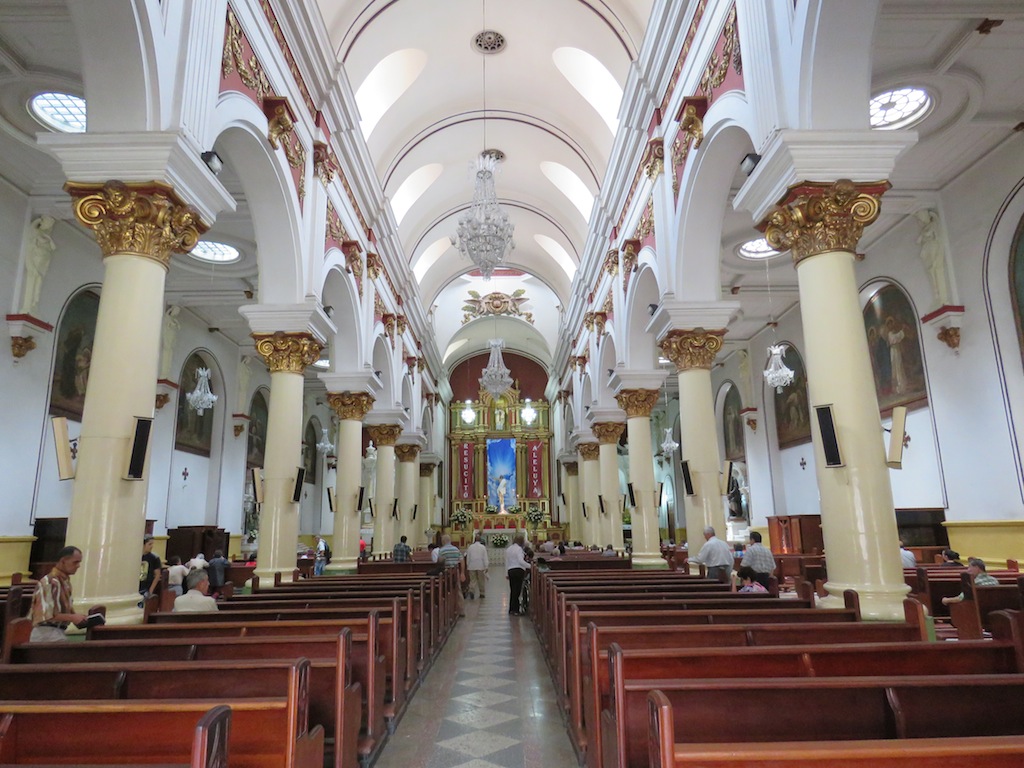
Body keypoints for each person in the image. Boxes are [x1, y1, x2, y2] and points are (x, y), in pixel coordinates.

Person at [29, 545, 88, 642]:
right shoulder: (50, 582)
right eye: (75, 562)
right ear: (63, 561)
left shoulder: (64, 582)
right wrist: (72, 617)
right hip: (46, 633)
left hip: (55, 632)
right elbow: (47, 615)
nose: (78, 566)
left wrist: (80, 619)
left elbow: (63, 610)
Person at [20, 214, 56, 315]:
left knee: (39, 279)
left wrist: (49, 239)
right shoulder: (36, 232)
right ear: (43, 223)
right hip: (36, 259)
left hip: (43, 261)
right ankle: (29, 304)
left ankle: (34, 302)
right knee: (35, 278)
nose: (49, 227)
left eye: (50, 225)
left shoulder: (46, 235)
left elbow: (53, 247)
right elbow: (32, 244)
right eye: (48, 224)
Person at [436, 535, 465, 617]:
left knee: (446, 591)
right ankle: (461, 610)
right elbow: (462, 561)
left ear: (443, 541)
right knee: (458, 590)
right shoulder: (456, 549)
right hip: (455, 572)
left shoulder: (442, 550)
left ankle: (448, 611)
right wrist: (462, 573)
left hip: (446, 573)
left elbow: (440, 561)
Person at [505, 533, 529, 615]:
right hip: (518, 570)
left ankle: (511, 609)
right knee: (517, 591)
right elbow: (520, 561)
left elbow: (506, 562)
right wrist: (529, 566)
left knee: (512, 590)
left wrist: (506, 573)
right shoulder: (519, 549)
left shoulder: (509, 549)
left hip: (511, 570)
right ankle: (515, 610)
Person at [139, 534, 162, 601]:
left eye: (152, 544)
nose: (151, 546)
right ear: (143, 544)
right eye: (149, 544)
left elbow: (157, 575)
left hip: (146, 587)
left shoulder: (154, 558)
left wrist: (150, 590)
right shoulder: (136, 555)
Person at [466, 534, 488, 599]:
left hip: (472, 565)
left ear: (474, 540)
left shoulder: (470, 547)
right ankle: (482, 593)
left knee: (473, 580)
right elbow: (485, 557)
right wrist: (486, 566)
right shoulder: (482, 547)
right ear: (480, 540)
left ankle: (472, 590)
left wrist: (468, 565)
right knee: (481, 580)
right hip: (480, 565)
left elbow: (468, 557)